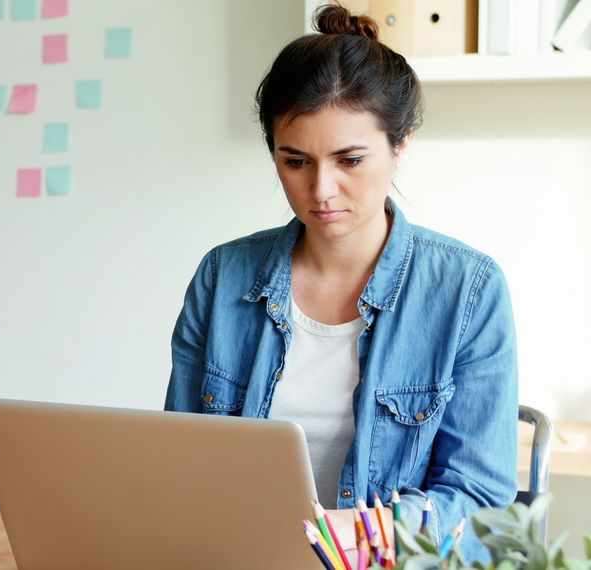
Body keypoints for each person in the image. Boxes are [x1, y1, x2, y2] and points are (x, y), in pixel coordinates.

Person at [164, 3, 518, 563]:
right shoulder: (222, 276)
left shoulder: (468, 290)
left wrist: (356, 539)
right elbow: (178, 463)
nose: (321, 190)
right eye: (295, 161)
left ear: (400, 145)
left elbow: (481, 503)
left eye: (349, 160)